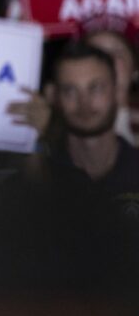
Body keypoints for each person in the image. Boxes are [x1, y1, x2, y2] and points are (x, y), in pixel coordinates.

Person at [41, 42, 139, 206]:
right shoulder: (37, 178)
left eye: (96, 88)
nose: (84, 103)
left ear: (116, 91)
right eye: (70, 91)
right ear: (55, 97)